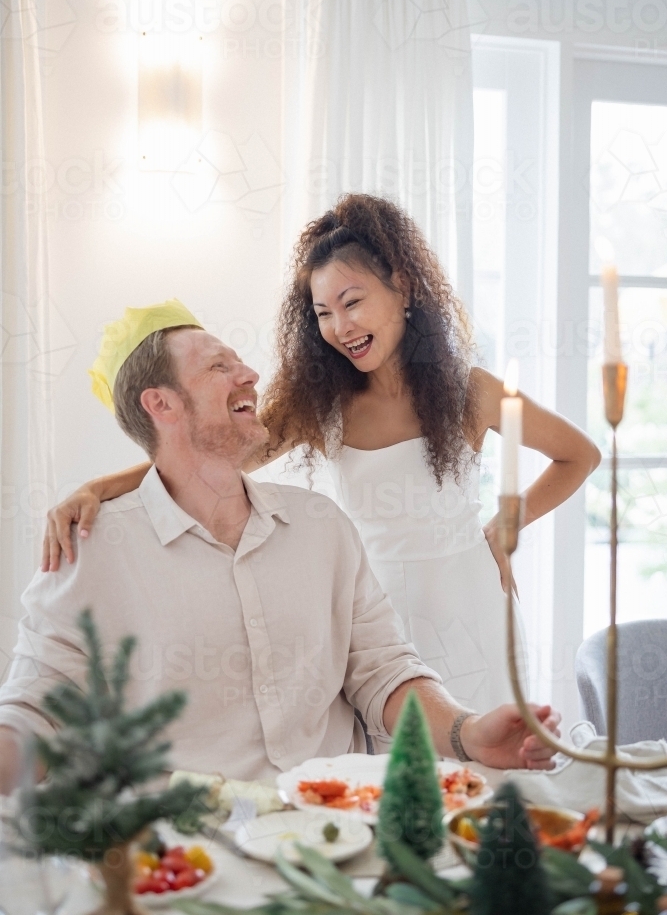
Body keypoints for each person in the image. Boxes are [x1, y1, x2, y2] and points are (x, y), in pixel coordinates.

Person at [42, 195, 601, 715]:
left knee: (486, 782)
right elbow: (209, 459)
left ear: (403, 289)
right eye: (323, 313)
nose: (340, 327)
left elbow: (579, 454)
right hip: (377, 621)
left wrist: (509, 519)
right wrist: (100, 487)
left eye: (352, 302)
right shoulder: (322, 404)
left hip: (474, 607)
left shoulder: (470, 391)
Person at [0, 302, 561, 794]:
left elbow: (384, 673)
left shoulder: (322, 528)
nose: (251, 374)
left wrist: (465, 733)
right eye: (220, 366)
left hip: (340, 823)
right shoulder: (88, 553)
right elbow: (37, 711)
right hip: (188, 854)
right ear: (162, 406)